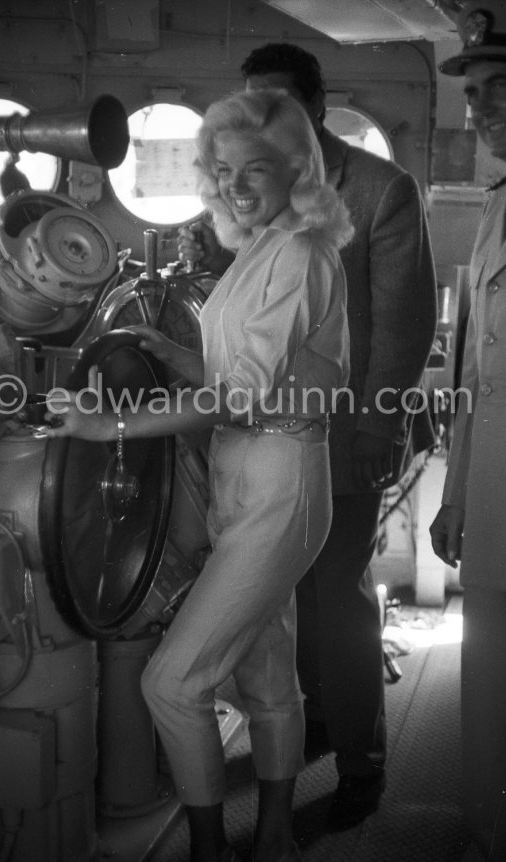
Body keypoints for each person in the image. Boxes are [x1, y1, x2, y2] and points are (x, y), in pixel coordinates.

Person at [46, 88, 352, 862]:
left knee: (171, 684)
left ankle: (209, 848)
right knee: (264, 665)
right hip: (248, 469)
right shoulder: (259, 245)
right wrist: (170, 352)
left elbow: (242, 393)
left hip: (280, 476)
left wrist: (106, 424)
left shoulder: (303, 251)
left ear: (298, 169)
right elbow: (238, 368)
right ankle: (276, 833)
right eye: (224, 169)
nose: (236, 184)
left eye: (257, 168)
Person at [179, 42, 438, 831]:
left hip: (341, 432)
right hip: (264, 436)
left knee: (337, 602)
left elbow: (401, 326)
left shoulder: (379, 188)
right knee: (282, 609)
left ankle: (361, 763)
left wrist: (374, 426)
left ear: (319, 105)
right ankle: (311, 724)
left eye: (282, 102)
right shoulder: (256, 181)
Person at [430, 3, 506, 858]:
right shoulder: (495, 208)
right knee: (488, 680)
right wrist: (453, 494)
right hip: (491, 495)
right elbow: (475, 378)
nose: (479, 110)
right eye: (475, 93)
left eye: (498, 90)